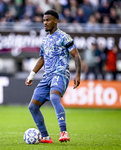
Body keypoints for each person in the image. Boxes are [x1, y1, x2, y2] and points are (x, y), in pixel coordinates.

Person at [25, 9, 81, 143]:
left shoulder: (64, 37)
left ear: (55, 20)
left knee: (54, 97)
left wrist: (78, 73)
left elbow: (76, 55)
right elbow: (42, 59)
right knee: (32, 107)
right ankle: (45, 137)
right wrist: (32, 75)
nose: (45, 23)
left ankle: (63, 132)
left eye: (48, 20)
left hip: (60, 74)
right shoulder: (45, 40)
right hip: (47, 77)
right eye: (44, 20)